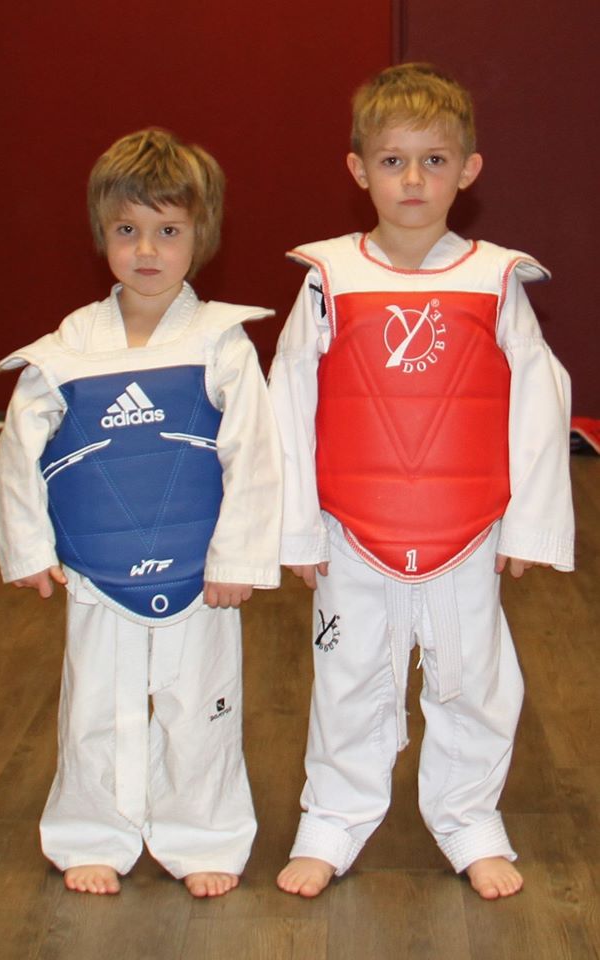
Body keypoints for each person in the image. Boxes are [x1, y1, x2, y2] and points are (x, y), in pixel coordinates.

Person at [268, 63, 574, 901]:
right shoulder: (328, 276)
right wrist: (296, 527)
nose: (413, 180)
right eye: (393, 160)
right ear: (358, 169)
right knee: (348, 680)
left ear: (468, 170)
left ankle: (469, 820)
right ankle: (332, 821)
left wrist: (529, 525)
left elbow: (539, 402)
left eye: (434, 161)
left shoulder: (496, 278)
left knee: (475, 682)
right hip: (350, 528)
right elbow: (288, 400)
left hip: (466, 526)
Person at [0, 129, 282, 898]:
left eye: (167, 230)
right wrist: (28, 549)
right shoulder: (67, 349)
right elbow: (19, 453)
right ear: (102, 233)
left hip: (201, 571)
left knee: (201, 704)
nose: (146, 250)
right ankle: (93, 834)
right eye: (127, 229)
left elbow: (255, 455)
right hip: (97, 570)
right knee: (95, 703)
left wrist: (239, 560)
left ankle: (203, 835)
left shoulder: (220, 344)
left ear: (200, 236)